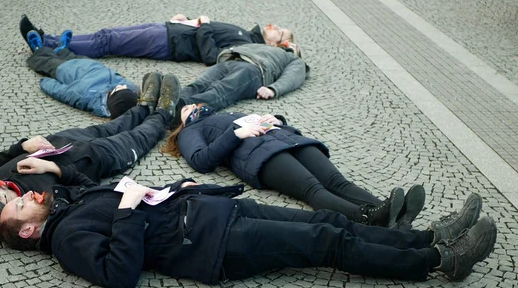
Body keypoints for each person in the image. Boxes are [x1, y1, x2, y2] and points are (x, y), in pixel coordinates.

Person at [0, 173, 496, 288]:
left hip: (212, 212)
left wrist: (189, 186)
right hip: (213, 246)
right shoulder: (64, 241)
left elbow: (136, 193)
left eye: (19, 194)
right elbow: (119, 272)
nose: (27, 195)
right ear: (24, 234)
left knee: (331, 221)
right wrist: (127, 209)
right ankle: (438, 263)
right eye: (19, 204)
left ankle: (428, 237)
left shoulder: (70, 204)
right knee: (328, 243)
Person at [0, 72, 181, 242]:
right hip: (97, 157)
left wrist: (23, 145)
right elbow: (87, 192)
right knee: (141, 136)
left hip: (68, 139)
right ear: (7, 214)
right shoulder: (36, 207)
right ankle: (163, 112)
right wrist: (52, 169)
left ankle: (144, 107)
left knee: (118, 124)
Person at [162, 105, 426, 229]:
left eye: (195, 104)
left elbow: (273, 124)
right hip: (259, 155)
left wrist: (276, 120)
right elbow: (201, 160)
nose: (194, 106)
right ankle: (366, 217)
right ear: (180, 123)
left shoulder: (228, 113)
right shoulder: (189, 132)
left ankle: (392, 212)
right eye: (187, 108)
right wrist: (237, 134)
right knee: (313, 189)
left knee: (338, 182)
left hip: (289, 140)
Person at [19, 14, 293, 65]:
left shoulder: (246, 46)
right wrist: (185, 19)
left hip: (168, 43)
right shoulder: (246, 33)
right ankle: (48, 40)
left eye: (279, 31)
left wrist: (204, 27)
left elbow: (211, 56)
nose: (273, 25)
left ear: (274, 45)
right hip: (169, 29)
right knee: (107, 35)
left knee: (109, 43)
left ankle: (45, 47)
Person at [25, 29, 141, 119]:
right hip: (90, 65)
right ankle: (62, 49)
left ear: (111, 96)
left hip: (67, 71)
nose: (122, 85)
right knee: (70, 56)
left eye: (119, 89)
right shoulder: (127, 92)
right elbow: (133, 92)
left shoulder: (86, 96)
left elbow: (61, 92)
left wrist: (45, 82)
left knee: (48, 61)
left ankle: (38, 49)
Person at [177, 42, 307, 113]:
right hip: (231, 60)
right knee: (200, 84)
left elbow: (292, 76)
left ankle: (180, 108)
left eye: (294, 46)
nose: (289, 44)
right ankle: (170, 100)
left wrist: (273, 89)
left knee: (221, 90)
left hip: (254, 70)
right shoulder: (264, 45)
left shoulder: (293, 59)